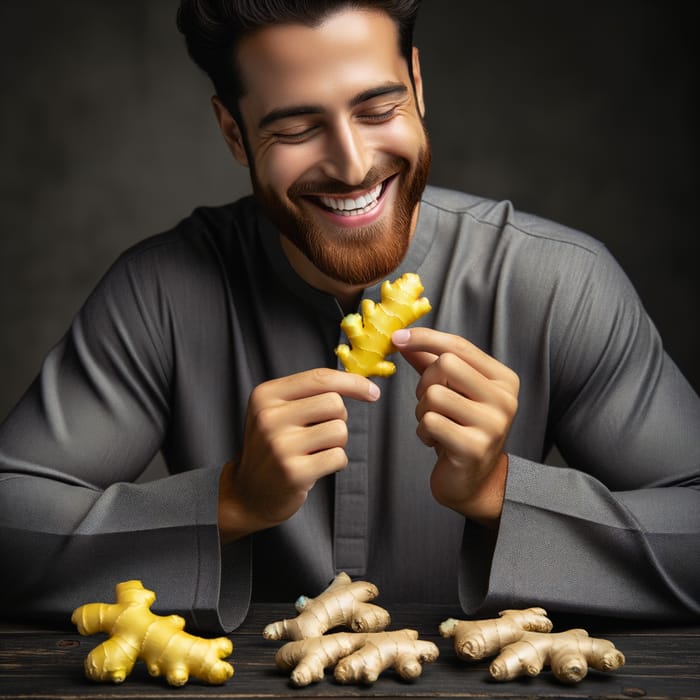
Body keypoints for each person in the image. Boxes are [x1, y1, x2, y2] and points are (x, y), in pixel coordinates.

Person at [1, 0, 698, 633]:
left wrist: (500, 491)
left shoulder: (558, 283)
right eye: (298, 126)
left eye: (378, 109)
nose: (354, 164)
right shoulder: (157, 293)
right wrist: (231, 500)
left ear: (418, 85)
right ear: (235, 134)